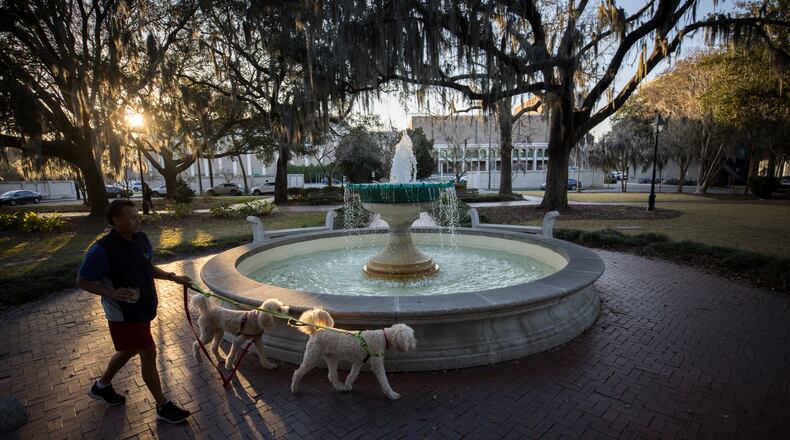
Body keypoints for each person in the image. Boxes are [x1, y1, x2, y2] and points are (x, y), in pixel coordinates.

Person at [76, 199, 192, 424]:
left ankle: (102, 386)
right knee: (148, 351)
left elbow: (146, 267)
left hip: (143, 307)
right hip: (123, 313)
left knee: (130, 349)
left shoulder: (141, 239)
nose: (138, 219)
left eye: (137, 215)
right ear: (116, 221)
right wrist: (111, 293)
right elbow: (82, 280)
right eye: (131, 217)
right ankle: (162, 406)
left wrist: (172, 277)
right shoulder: (102, 250)